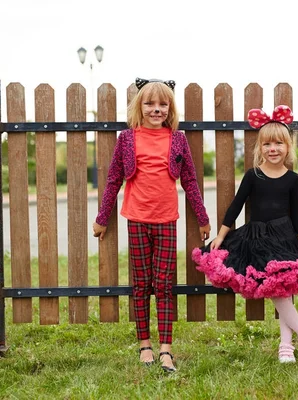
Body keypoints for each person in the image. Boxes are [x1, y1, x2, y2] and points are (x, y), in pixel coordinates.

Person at [192, 105, 298, 363]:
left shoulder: (293, 179)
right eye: (267, 144)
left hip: (285, 235)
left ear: (288, 147)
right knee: (278, 289)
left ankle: (286, 347)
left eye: (279, 144)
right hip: (258, 238)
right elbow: (236, 206)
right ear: (259, 148)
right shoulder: (253, 176)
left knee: (286, 286)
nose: (273, 149)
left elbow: (297, 213)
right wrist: (221, 235)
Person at [93, 78, 211, 373]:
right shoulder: (127, 139)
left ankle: (166, 349)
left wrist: (203, 217)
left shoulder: (178, 140)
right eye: (149, 104)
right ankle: (144, 343)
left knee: (164, 285)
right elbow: (113, 180)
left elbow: (191, 181)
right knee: (142, 284)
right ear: (139, 106)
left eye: (162, 104)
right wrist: (101, 218)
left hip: (166, 219)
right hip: (137, 218)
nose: (156, 109)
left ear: (169, 108)